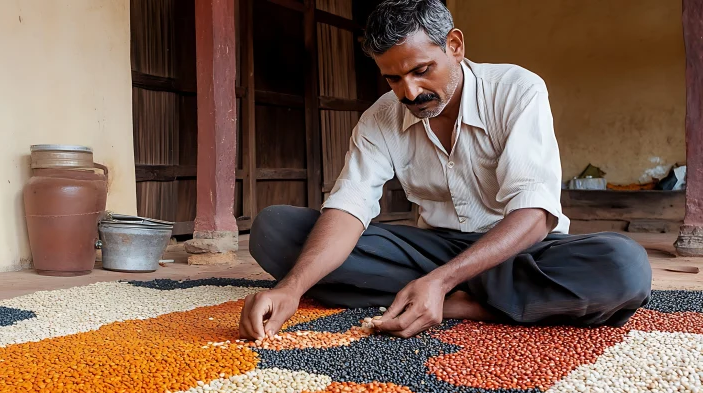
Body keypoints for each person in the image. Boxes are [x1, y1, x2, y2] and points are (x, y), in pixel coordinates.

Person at [238, 0, 652, 340]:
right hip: (431, 249)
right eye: (393, 79)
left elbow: (535, 214)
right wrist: (291, 289)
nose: (410, 92)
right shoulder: (379, 118)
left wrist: (439, 282)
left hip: (519, 251)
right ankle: (493, 297)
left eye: (421, 71)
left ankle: (461, 302)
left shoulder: (517, 90)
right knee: (276, 231)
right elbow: (351, 204)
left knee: (623, 265)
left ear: (454, 45)